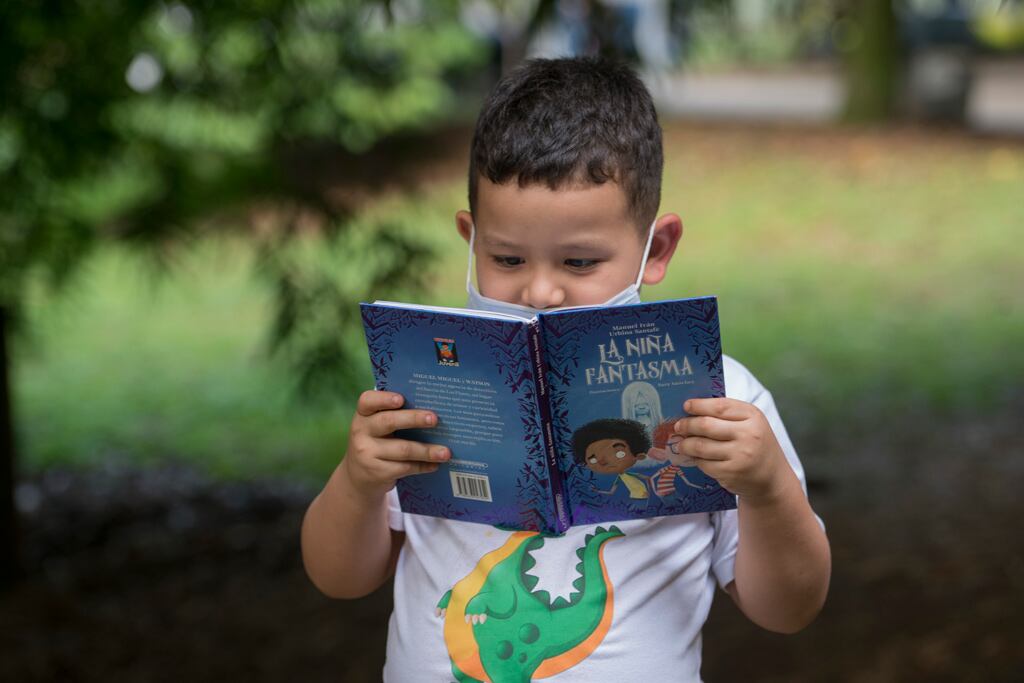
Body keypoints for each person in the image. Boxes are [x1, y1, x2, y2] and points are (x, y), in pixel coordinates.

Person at [301, 56, 830, 681]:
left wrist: (767, 486)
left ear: (655, 250)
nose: (541, 291)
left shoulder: (721, 397)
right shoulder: (426, 381)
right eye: (507, 258)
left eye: (579, 263)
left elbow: (788, 610)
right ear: (471, 239)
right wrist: (359, 483)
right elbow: (339, 578)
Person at [572, 417, 652, 500]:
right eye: (593, 459)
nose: (602, 461)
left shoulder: (630, 475)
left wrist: (649, 492)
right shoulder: (619, 478)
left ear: (639, 456)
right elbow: (611, 492)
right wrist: (597, 490)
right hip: (634, 496)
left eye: (619, 454)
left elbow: (648, 478)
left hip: (641, 495)